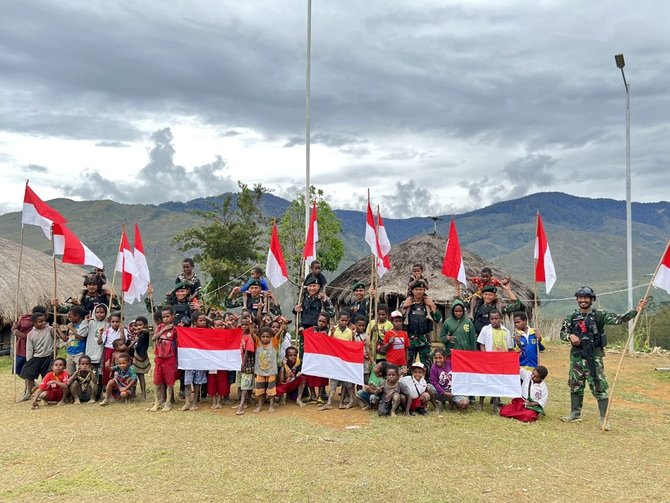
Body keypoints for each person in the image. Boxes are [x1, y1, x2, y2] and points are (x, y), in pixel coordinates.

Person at [559, 286, 647, 430]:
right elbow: (562, 334)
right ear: (577, 300)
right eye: (580, 298)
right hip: (576, 357)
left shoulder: (599, 315)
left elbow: (620, 319)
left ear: (591, 299)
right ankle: (575, 414)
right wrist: (570, 336)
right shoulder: (571, 317)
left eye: (586, 297)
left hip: (594, 357)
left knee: (599, 386)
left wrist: (637, 309)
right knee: (575, 385)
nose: (583, 300)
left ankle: (604, 419)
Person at [476, 309, 514, 410]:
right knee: (485, 382)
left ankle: (495, 403)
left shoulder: (506, 331)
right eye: (492, 319)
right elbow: (482, 344)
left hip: (501, 363)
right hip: (488, 361)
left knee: (498, 383)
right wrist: (485, 357)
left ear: (500, 319)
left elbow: (510, 348)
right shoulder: (485, 329)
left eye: (496, 318)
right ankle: (481, 403)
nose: (494, 321)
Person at [401, 280, 441, 368]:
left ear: (424, 290)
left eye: (421, 289)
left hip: (425, 340)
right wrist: (404, 307)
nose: (419, 291)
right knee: (408, 365)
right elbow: (399, 318)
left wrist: (433, 306)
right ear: (412, 291)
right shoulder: (407, 303)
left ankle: (427, 381)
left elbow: (439, 319)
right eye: (416, 289)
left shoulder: (428, 304)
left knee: (427, 366)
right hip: (410, 339)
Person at [319, 312, 355, 411]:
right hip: (335, 360)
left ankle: (341, 402)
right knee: (334, 382)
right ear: (338, 320)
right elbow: (329, 342)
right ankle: (329, 402)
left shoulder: (349, 331)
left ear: (348, 321)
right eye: (342, 320)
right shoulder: (333, 329)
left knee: (345, 382)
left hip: (345, 360)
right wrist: (333, 333)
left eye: (346, 321)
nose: (343, 322)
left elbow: (351, 344)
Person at [12, 306, 47, 401]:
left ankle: (28, 391)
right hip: (22, 348)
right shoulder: (24, 319)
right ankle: (31, 387)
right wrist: (15, 329)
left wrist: (21, 334)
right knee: (19, 369)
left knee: (30, 371)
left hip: (38, 349)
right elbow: (16, 329)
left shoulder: (45, 326)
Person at [147, 307, 178, 413]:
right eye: (163, 317)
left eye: (167, 316)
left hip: (170, 358)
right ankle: (157, 402)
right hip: (159, 357)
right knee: (157, 381)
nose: (165, 319)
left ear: (172, 316)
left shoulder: (175, 329)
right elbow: (153, 338)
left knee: (169, 382)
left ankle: (168, 402)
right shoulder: (160, 327)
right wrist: (164, 329)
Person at [19, 312, 54, 402]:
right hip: (36, 357)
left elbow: (56, 338)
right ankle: (28, 392)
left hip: (48, 356)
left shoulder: (50, 329)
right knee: (29, 375)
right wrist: (29, 361)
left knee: (47, 376)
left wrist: (56, 328)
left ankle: (44, 394)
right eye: (40, 322)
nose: (43, 323)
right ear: (33, 323)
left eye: (44, 321)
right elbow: (29, 349)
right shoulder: (31, 334)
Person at [181, 313, 209, 411]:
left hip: (200, 361)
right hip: (189, 361)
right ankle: (187, 402)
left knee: (197, 383)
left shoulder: (208, 332)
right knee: (187, 382)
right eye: (200, 320)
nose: (203, 322)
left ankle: (194, 402)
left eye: (204, 320)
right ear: (195, 322)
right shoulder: (189, 331)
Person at [55, 306, 89, 376]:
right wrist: (58, 328)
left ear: (77, 316)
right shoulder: (71, 325)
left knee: (79, 373)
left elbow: (81, 337)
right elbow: (65, 339)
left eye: (70, 316)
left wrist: (72, 328)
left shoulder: (83, 325)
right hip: (69, 352)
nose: (68, 318)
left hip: (79, 353)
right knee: (69, 374)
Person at [208, 316, 231, 409]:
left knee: (222, 381)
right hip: (212, 362)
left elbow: (234, 333)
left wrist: (227, 326)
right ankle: (213, 400)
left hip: (222, 362)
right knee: (212, 381)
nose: (220, 327)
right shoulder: (209, 335)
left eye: (222, 325)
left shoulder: (226, 334)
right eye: (218, 325)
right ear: (213, 327)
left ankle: (219, 400)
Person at [85, 304, 107, 398]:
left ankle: (102, 392)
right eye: (97, 312)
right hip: (91, 350)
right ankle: (92, 394)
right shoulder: (90, 323)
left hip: (102, 351)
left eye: (102, 312)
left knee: (101, 373)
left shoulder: (108, 324)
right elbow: (83, 333)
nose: (99, 314)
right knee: (92, 374)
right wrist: (85, 322)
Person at [253, 326, 278, 413]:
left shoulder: (273, 343)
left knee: (271, 390)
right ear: (260, 337)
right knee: (259, 390)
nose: (265, 338)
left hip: (271, 371)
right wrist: (250, 325)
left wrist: (282, 326)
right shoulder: (258, 343)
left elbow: (278, 334)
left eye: (267, 336)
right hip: (260, 371)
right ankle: (260, 405)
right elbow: (252, 334)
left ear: (271, 337)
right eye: (263, 336)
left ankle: (271, 405)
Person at [97, 312, 126, 386]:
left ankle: (119, 386)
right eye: (113, 322)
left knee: (120, 368)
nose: (115, 323)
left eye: (117, 322)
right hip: (109, 352)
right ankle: (108, 387)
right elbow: (99, 342)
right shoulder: (107, 331)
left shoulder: (123, 330)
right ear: (110, 322)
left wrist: (122, 331)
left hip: (120, 353)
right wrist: (100, 334)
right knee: (108, 369)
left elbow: (123, 341)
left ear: (120, 322)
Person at [236, 317, 256, 415]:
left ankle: (242, 405)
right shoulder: (239, 335)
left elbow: (248, 352)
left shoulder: (249, 337)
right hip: (238, 363)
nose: (244, 326)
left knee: (245, 385)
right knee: (240, 384)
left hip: (246, 364)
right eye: (242, 324)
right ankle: (243, 401)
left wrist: (243, 364)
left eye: (246, 324)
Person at [131, 316, 151, 401]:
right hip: (136, 355)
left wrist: (140, 330)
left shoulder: (145, 333)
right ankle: (133, 392)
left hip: (141, 356)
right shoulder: (139, 334)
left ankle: (143, 394)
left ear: (145, 325)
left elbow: (147, 331)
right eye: (137, 325)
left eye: (140, 325)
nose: (138, 326)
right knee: (134, 375)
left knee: (141, 376)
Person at [352, 315, 372, 385]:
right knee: (355, 379)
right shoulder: (352, 334)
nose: (361, 327)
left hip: (365, 361)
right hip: (355, 360)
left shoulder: (366, 335)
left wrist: (368, 354)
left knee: (365, 380)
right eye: (359, 325)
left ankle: (363, 394)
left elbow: (369, 347)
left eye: (363, 326)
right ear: (355, 325)